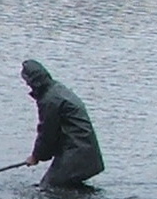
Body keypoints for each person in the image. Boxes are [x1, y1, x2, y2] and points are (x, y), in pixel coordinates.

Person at [21, 58, 104, 186]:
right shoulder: (57, 89)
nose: (27, 85)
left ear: (33, 82)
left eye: (27, 82)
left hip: (76, 154)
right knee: (63, 189)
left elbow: (47, 133)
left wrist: (36, 156)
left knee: (48, 187)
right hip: (87, 154)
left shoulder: (50, 100)